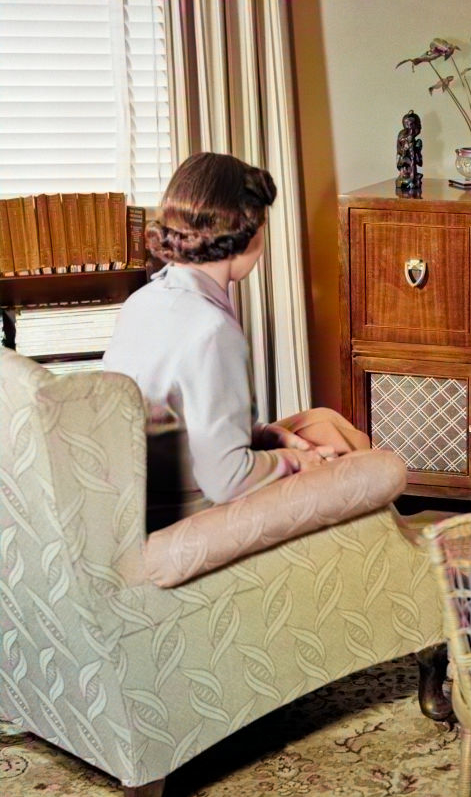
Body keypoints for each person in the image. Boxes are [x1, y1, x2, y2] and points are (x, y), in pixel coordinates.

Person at [104, 152, 371, 530]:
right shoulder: (212, 330)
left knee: (323, 422)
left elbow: (182, 420)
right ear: (249, 234)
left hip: (143, 498)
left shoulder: (142, 301)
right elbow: (226, 480)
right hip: (193, 515)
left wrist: (266, 436)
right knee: (367, 463)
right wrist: (296, 462)